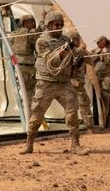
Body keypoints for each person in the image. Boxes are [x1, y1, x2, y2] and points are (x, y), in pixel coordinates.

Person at [20, 12, 86, 155]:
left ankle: (75, 145)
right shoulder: (42, 41)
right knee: (37, 115)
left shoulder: (66, 40)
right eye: (56, 24)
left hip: (64, 83)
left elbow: (70, 58)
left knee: (72, 113)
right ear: (49, 25)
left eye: (61, 25)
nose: (59, 27)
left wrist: (76, 62)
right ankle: (29, 143)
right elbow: (52, 60)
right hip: (46, 84)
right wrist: (65, 49)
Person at [67, 31, 96, 131]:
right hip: (75, 81)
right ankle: (90, 127)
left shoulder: (65, 51)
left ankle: (73, 127)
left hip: (70, 82)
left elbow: (90, 60)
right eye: (77, 40)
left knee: (71, 105)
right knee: (84, 103)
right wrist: (82, 49)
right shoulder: (74, 51)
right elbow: (90, 61)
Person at [9, 13, 39, 99]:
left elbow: (10, 45)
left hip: (18, 65)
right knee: (32, 89)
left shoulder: (14, 33)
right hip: (30, 65)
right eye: (31, 22)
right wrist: (43, 20)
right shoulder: (32, 33)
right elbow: (41, 29)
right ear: (25, 23)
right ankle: (29, 109)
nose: (32, 25)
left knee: (26, 89)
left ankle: (27, 107)